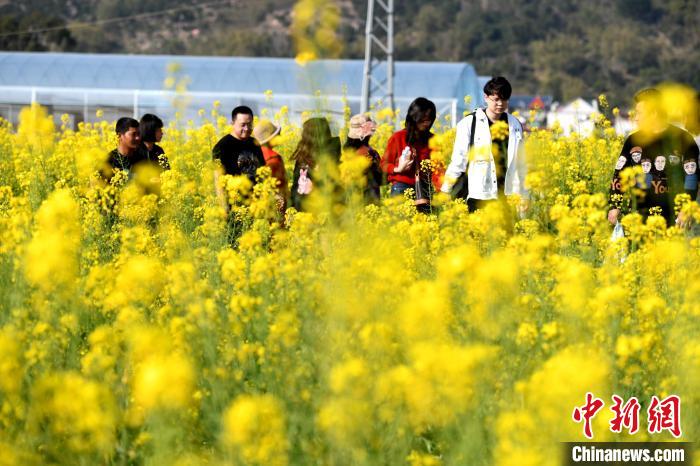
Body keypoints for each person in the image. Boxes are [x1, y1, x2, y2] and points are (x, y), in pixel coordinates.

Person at [607, 88, 700, 227]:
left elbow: (691, 177)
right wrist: (615, 206)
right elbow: (619, 175)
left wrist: (686, 209)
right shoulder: (633, 140)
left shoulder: (683, 139)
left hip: (673, 221)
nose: (636, 117)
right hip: (637, 220)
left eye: (639, 113)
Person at [440, 76, 529, 212]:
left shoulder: (514, 124)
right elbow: (459, 160)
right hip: (479, 193)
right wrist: (446, 189)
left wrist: (525, 194)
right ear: (486, 97)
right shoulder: (469, 123)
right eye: (496, 99)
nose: (500, 104)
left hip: (507, 194)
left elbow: (521, 162)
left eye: (504, 99)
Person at [381, 97, 436, 211]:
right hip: (401, 187)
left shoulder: (433, 140)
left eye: (429, 119)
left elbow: (438, 169)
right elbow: (384, 164)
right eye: (423, 119)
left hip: (425, 189)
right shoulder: (398, 137)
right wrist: (398, 169)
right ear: (414, 117)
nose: (427, 123)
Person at [212, 105, 266, 211]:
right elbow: (218, 179)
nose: (246, 128)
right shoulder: (222, 147)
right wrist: (224, 207)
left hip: (255, 205)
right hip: (234, 206)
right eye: (243, 125)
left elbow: (263, 173)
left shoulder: (254, 143)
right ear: (232, 124)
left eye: (249, 124)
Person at [290, 117, 341, 212]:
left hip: (320, 212)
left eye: (304, 132)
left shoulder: (330, 157)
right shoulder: (303, 155)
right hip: (303, 213)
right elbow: (296, 186)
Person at [252, 119, 288, 215]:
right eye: (277, 135)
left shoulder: (250, 155)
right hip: (273, 209)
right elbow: (280, 189)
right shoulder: (274, 158)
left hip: (255, 209)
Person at [344, 113, 382, 203]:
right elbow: (381, 178)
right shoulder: (370, 153)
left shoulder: (346, 152)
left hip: (353, 198)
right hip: (367, 198)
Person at [101, 117, 149, 183]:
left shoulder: (143, 160)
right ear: (119, 136)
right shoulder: (107, 161)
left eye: (139, 134)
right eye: (133, 134)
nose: (138, 138)